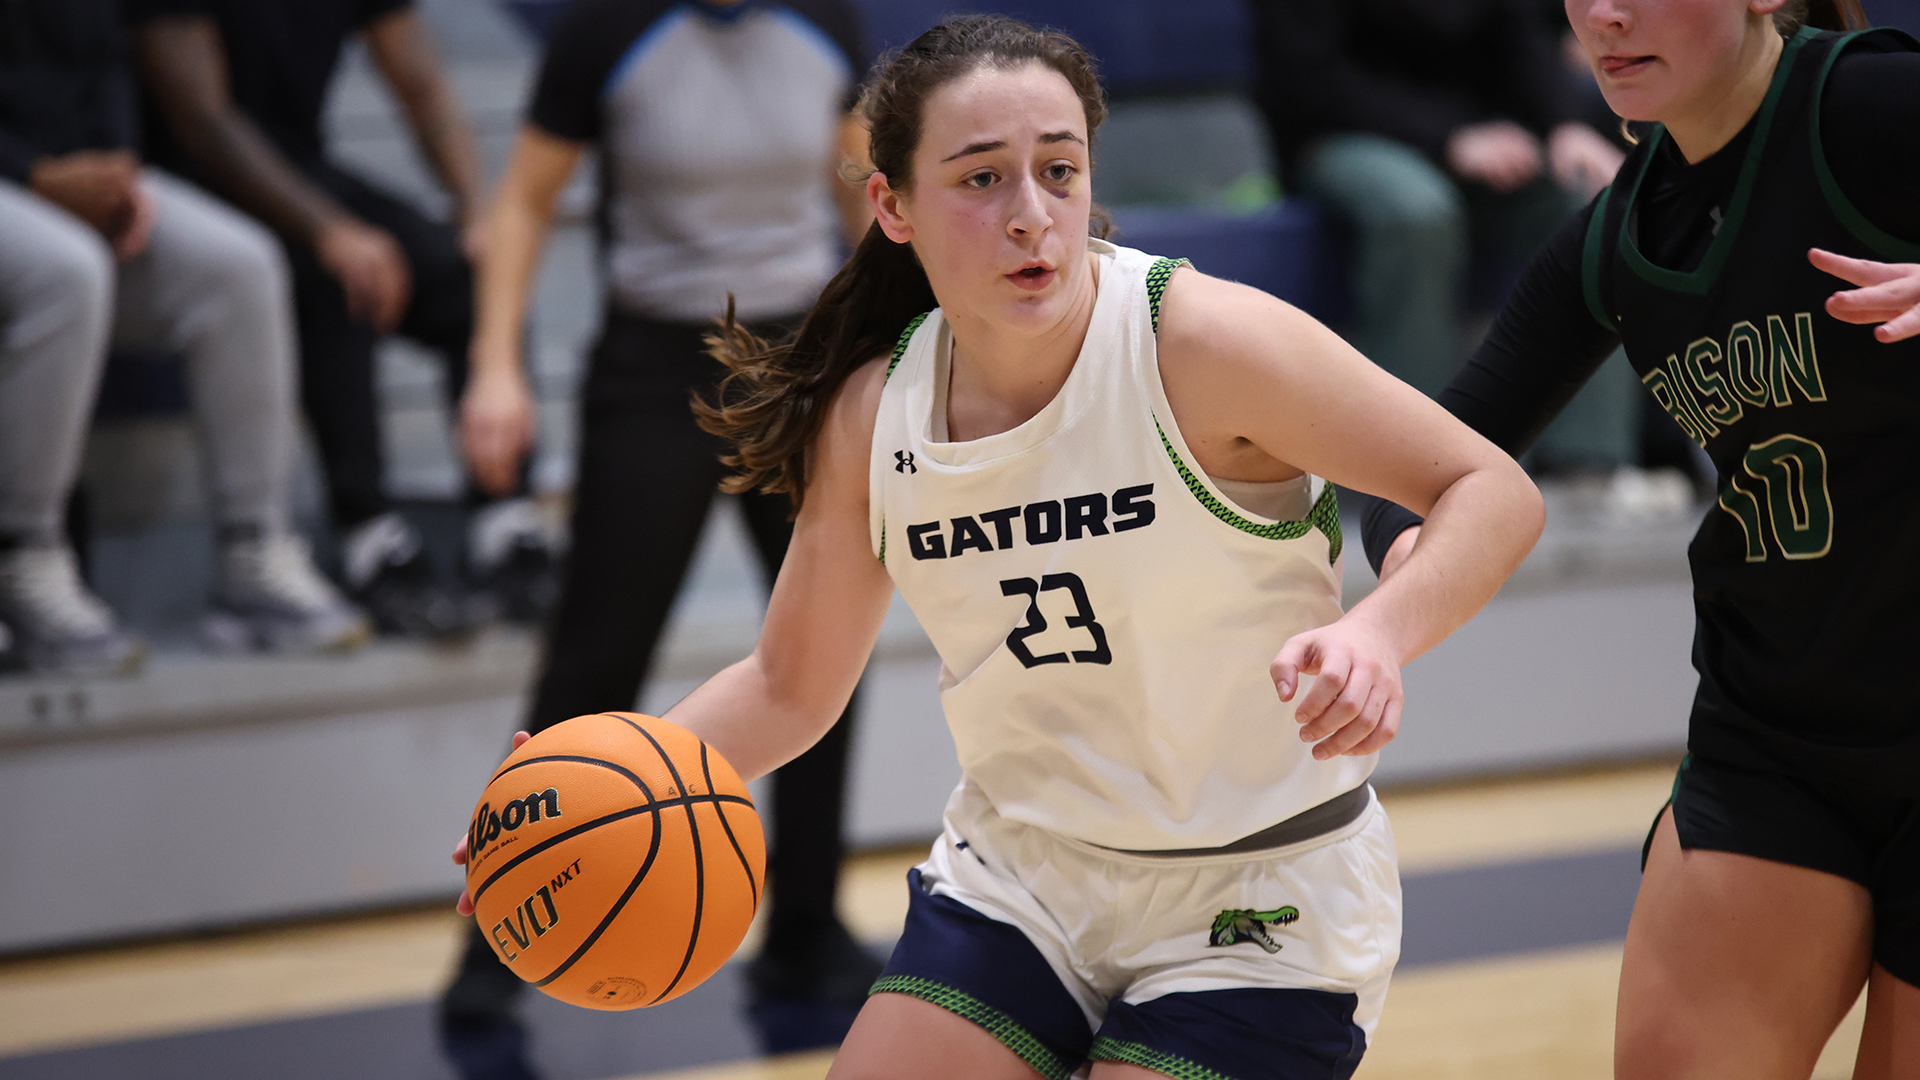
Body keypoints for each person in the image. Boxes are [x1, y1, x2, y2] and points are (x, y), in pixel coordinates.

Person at [455, 16, 1545, 1078]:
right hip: (1024, 882)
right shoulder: (873, 413)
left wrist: (1377, 634)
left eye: (1059, 171)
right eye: (981, 179)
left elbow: (1489, 489)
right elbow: (789, 686)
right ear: (891, 204)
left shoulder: (1204, 344)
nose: (1033, 215)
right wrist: (593, 795)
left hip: (1260, 892)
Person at [1359, 1, 1920, 1076]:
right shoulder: (1621, 232)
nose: (1607, 14)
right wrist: (1408, 569)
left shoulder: (1865, 103)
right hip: (1780, 737)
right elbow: (1426, 459)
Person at [438, 0, 884, 1050]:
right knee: (595, 663)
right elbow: (525, 204)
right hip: (656, 366)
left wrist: (893, 343)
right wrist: (496, 365)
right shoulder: (606, 29)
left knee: (825, 648)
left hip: (803, 361)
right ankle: (498, 935)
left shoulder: (824, 20)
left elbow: (865, 199)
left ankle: (807, 928)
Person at [126, 0, 555, 639]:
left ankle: (504, 522)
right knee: (342, 275)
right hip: (184, 188)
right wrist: (329, 229)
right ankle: (369, 535)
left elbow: (421, 82)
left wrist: (475, 213)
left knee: (472, 279)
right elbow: (203, 121)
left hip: (303, 165)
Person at [0, 0, 368, 673]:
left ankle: (254, 552)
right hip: (19, 179)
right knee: (64, 270)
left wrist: (119, 174)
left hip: (76, 175)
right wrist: (35, 178)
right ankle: (23, 554)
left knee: (239, 266)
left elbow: (110, 57)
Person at [1249, 0, 1640, 481]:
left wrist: (1565, 125)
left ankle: (1589, 463)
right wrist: (1448, 137)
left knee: (1592, 199)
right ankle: (1414, 468)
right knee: (1418, 213)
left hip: (1481, 132)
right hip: (1344, 134)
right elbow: (1309, 81)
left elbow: (1519, 32)